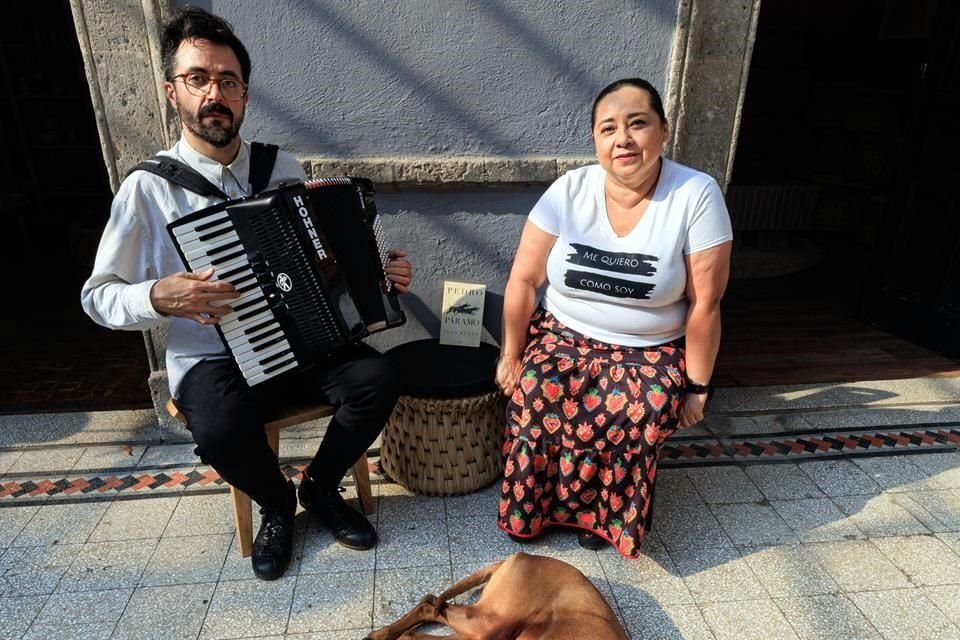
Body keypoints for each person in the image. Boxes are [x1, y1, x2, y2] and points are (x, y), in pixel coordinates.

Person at [81, 6, 412, 580]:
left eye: (228, 81)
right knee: (218, 427)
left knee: (377, 379)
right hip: (213, 358)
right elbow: (98, 296)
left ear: (244, 96)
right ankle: (278, 503)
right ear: (172, 92)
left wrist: (376, 272)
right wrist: (159, 296)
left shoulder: (279, 165)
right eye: (198, 79)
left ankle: (320, 487)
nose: (215, 93)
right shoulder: (148, 188)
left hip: (301, 345)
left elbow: (317, 261)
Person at [494, 78, 732, 558]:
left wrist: (698, 387)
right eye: (608, 129)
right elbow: (523, 280)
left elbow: (705, 303)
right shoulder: (570, 190)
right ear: (597, 142)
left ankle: (599, 517)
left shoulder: (695, 194)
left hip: (650, 348)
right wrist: (511, 353)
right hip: (563, 334)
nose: (622, 138)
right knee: (538, 387)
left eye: (637, 123)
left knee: (636, 405)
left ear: (663, 131)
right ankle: (538, 508)